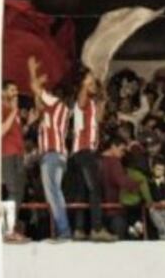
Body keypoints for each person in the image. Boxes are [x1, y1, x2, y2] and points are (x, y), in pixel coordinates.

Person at [66, 71, 115, 242]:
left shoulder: (92, 104)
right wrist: (87, 81)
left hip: (84, 151)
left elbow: (99, 119)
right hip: (84, 150)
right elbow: (82, 96)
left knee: (82, 192)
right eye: (90, 82)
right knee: (95, 189)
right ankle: (97, 228)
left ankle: (79, 229)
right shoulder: (82, 100)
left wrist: (103, 100)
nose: (93, 84)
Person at [29, 57, 72, 240]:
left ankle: (64, 231)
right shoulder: (53, 112)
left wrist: (32, 71)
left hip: (52, 155)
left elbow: (36, 90)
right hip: (57, 155)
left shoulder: (56, 104)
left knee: (53, 193)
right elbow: (38, 101)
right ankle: (63, 230)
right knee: (55, 193)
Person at [0, 80, 28, 242]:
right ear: (2, 92)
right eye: (11, 90)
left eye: (16, 90)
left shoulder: (12, 110)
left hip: (18, 154)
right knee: (13, 191)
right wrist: (14, 111)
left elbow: (15, 132)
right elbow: (1, 131)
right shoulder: (0, 108)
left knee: (19, 192)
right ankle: (8, 230)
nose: (15, 93)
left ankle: (11, 227)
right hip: (7, 154)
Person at [98, 136, 139, 239]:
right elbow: (120, 180)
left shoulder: (97, 160)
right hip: (114, 210)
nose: (123, 153)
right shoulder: (114, 162)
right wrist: (137, 185)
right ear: (113, 147)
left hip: (98, 212)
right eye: (121, 150)